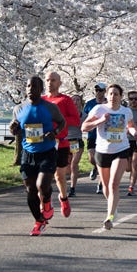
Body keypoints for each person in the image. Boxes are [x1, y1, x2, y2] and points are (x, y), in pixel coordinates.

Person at [10, 76, 66, 236]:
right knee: (30, 189)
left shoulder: (50, 108)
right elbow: (14, 127)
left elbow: (62, 123)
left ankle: (47, 202)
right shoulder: (19, 109)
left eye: (34, 86)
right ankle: (39, 221)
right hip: (28, 153)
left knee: (42, 185)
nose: (30, 89)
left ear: (40, 89)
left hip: (47, 152)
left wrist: (54, 132)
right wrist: (13, 128)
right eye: (28, 86)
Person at [82, 84, 137, 229]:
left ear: (121, 97)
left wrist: (134, 133)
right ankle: (114, 207)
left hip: (121, 149)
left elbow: (130, 126)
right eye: (111, 94)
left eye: (116, 94)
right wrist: (100, 121)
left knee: (114, 184)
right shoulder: (99, 109)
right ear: (107, 95)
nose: (113, 97)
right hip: (102, 151)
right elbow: (84, 127)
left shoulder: (126, 111)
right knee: (106, 186)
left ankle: (110, 216)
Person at [43, 71, 80, 217]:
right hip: (44, 144)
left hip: (61, 144)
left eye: (53, 80)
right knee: (44, 177)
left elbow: (76, 121)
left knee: (59, 176)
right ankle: (45, 205)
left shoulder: (65, 100)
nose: (50, 83)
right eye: (47, 80)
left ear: (59, 83)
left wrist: (59, 120)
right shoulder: (41, 100)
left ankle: (63, 198)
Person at [83, 82, 107, 194]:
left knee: (102, 161)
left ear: (104, 91)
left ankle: (100, 184)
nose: (98, 92)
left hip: (104, 136)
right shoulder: (89, 104)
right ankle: (95, 168)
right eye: (97, 90)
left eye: (101, 90)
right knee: (92, 158)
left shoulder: (108, 103)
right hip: (92, 135)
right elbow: (84, 118)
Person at [66, 94, 85, 197]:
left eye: (78, 100)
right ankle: (70, 179)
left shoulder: (84, 115)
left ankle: (73, 188)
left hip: (77, 141)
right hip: (66, 141)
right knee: (68, 166)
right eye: (73, 100)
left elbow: (85, 127)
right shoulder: (65, 113)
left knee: (74, 163)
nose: (75, 102)